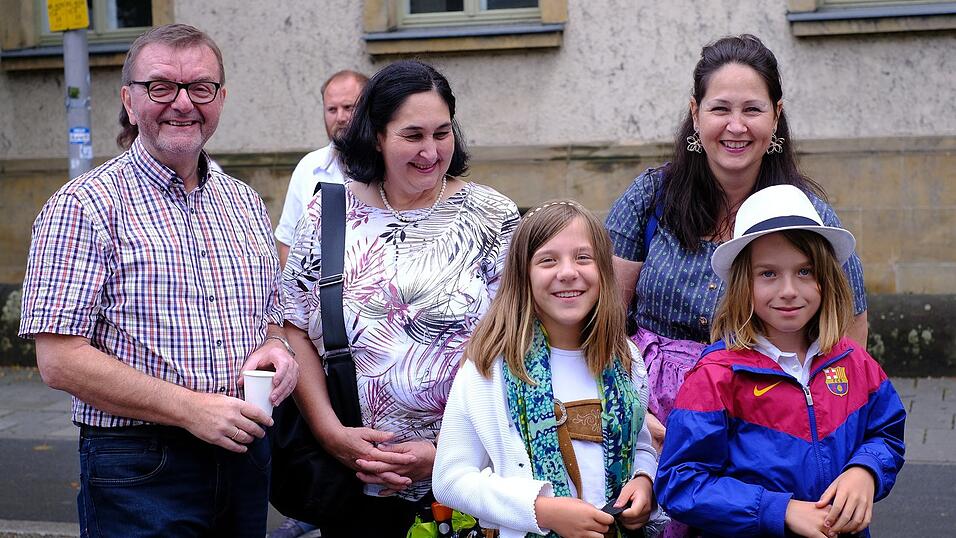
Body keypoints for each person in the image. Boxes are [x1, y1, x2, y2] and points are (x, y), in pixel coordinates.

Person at [18, 24, 298, 536]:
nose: (183, 103)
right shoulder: (83, 206)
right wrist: (190, 409)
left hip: (244, 452)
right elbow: (59, 360)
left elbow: (272, 319)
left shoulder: (244, 202)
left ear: (221, 98)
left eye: (200, 87)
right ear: (129, 101)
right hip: (140, 465)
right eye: (161, 87)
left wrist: (278, 350)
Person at [281, 60, 520, 537]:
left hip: (471, 480)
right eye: (413, 136)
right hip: (353, 484)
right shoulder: (328, 212)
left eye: (442, 133)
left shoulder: (493, 217)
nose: (431, 151)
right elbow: (292, 326)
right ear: (376, 137)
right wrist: (332, 434)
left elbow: (519, 345)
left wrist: (449, 451)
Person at [604, 34, 869, 446]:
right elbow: (602, 320)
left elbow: (848, 338)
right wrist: (635, 416)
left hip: (761, 430)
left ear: (776, 115)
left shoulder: (808, 216)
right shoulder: (650, 198)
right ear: (696, 114)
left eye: (752, 109)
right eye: (720, 108)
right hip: (647, 428)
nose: (736, 126)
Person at [654, 185, 906, 538]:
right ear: (744, 284)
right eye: (768, 274)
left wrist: (866, 469)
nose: (788, 290)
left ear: (826, 279)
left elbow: (886, 431)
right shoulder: (716, 377)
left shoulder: (854, 362)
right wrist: (780, 510)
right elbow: (680, 482)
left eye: (804, 271)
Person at [433, 200, 668, 538]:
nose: (568, 272)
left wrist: (644, 481)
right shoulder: (489, 366)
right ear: (523, 275)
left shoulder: (624, 358)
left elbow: (640, 443)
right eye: (548, 260)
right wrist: (541, 510)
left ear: (604, 270)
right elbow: (451, 479)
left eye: (583, 258)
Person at [274, 69, 368, 268]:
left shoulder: (389, 166)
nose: (340, 117)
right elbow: (288, 242)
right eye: (332, 109)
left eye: (348, 107)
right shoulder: (308, 167)